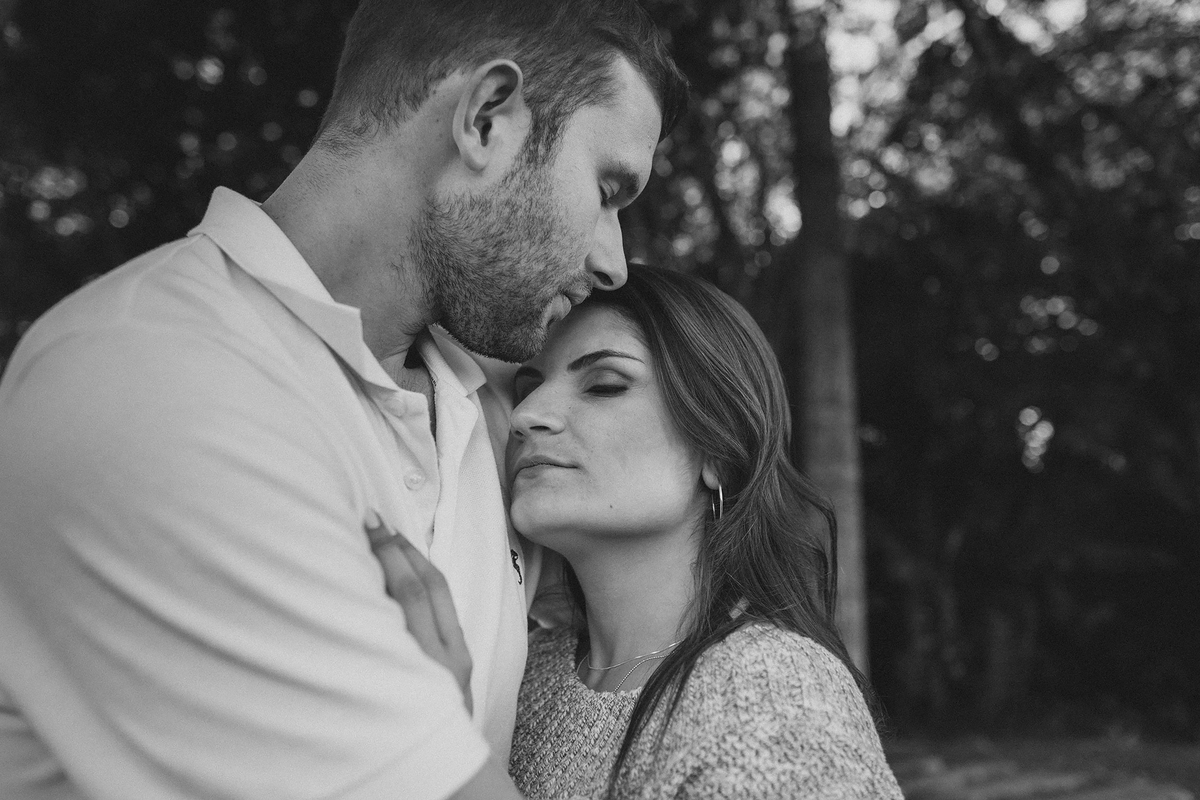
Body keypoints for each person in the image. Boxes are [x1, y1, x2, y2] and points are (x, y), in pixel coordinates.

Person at [0, 2, 687, 798]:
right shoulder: (150, 379)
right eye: (607, 189)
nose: (615, 262)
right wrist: (441, 724)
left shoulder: (498, 419)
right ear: (488, 119)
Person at [497, 264, 903, 797]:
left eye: (604, 385)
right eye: (527, 387)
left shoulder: (771, 694)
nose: (527, 415)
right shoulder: (522, 670)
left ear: (716, 452)